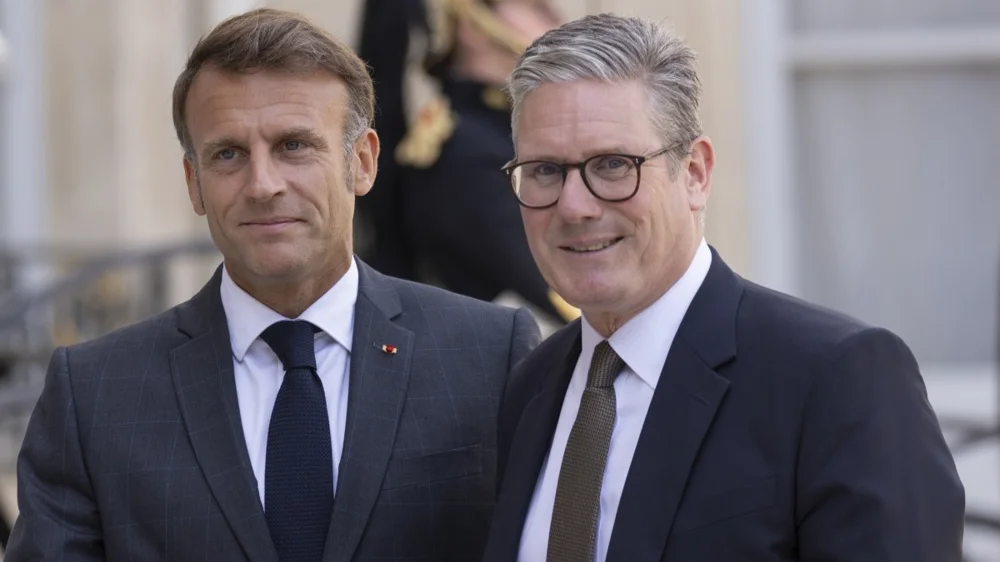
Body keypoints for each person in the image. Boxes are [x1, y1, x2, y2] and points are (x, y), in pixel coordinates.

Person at [7, 9, 540, 562]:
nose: (262, 185)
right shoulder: (96, 395)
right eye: (228, 154)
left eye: (293, 146)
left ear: (362, 162)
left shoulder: (488, 357)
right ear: (194, 183)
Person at [483, 13, 965, 562]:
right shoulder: (530, 388)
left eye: (613, 165)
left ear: (695, 173)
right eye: (545, 171)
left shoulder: (834, 378)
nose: (574, 206)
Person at [356, 0, 579, 325]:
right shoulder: (463, 155)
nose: (553, 17)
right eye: (533, 5)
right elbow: (559, 295)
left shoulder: (507, 133)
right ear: (473, 26)